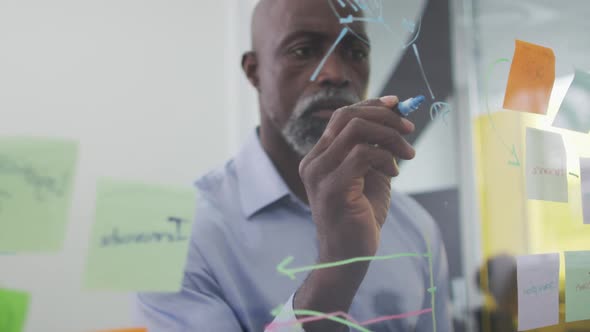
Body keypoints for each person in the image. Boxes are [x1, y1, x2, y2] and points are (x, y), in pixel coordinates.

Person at [135, 0, 451, 331]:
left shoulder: (417, 230)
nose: (335, 74)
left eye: (355, 53)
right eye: (303, 51)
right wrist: (337, 269)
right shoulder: (176, 239)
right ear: (254, 72)